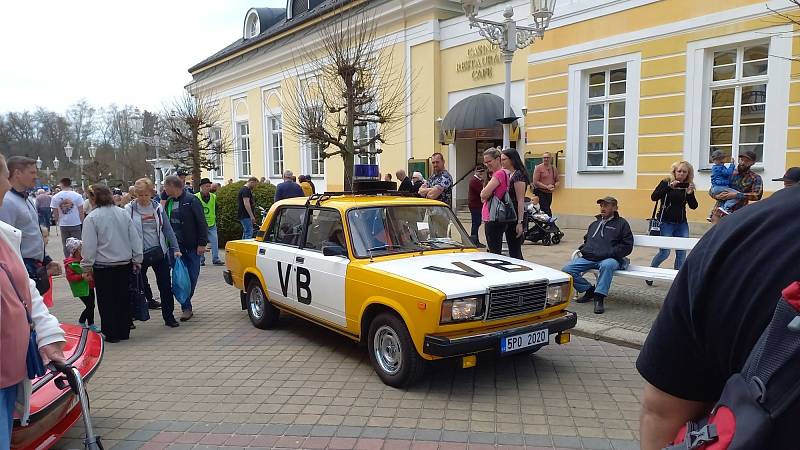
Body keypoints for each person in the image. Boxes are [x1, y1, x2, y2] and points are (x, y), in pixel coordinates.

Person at [635, 187, 800, 450]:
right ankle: (653, 273)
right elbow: (656, 198)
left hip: (683, 226)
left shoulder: (743, 230)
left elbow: (663, 413)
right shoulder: (743, 230)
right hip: (669, 224)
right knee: (666, 252)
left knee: (677, 255)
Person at [0, 154, 66, 449]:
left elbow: (21, 287)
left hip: (9, 371)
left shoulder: (19, 207)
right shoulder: (10, 205)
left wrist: (47, 335)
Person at [81, 184, 143, 343]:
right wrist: (137, 258)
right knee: (123, 297)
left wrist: (86, 266)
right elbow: (134, 238)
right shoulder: (122, 213)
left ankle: (112, 333)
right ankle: (124, 330)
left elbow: (89, 245)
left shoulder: (92, 218)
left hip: (103, 266)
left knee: (106, 300)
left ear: (94, 198)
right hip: (124, 263)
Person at [561, 197, 633, 314]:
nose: (602, 208)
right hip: (590, 257)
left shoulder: (622, 224)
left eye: (606, 206)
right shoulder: (595, 223)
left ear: (615, 208)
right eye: (601, 206)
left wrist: (609, 253)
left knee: (607, 265)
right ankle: (589, 290)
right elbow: (587, 239)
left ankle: (599, 297)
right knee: (567, 269)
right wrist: (585, 249)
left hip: (610, 258)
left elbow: (627, 246)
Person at [126, 178, 183, 327]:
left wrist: (175, 249)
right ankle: (132, 316)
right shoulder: (129, 209)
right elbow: (124, 232)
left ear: (151, 193)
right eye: (140, 195)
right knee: (135, 286)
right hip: (139, 255)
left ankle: (169, 316)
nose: (143, 198)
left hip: (159, 252)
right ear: (135, 195)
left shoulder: (158, 207)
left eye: (146, 194)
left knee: (165, 285)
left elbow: (168, 229)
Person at [0, 157, 60, 289]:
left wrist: (46, 260)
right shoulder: (7, 202)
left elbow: (34, 233)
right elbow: (6, 242)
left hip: (34, 265)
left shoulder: (27, 199)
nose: (36, 177)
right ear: (17, 173)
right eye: (32, 173)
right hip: (22, 267)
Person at [163, 175, 207, 322]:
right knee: (180, 278)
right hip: (176, 248)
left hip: (193, 247)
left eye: (165, 186)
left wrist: (202, 243)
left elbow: (201, 222)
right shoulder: (169, 202)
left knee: (192, 277)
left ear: (172, 186)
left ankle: (186, 298)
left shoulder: (192, 200)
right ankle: (186, 307)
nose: (164, 189)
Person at [647, 161, 698, 281]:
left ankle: (677, 281)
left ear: (688, 174)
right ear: (674, 172)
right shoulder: (666, 182)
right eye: (679, 171)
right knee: (665, 252)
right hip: (665, 222)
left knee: (681, 253)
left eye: (684, 172)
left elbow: (694, 206)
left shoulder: (688, 185)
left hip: (681, 223)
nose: (681, 174)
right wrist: (669, 187)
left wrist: (690, 194)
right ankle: (651, 272)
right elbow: (654, 196)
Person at [709, 149, 762, 223]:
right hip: (718, 215)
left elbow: (757, 195)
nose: (743, 162)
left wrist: (736, 195)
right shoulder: (728, 173)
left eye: (746, 161)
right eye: (741, 160)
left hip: (738, 215)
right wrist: (717, 196)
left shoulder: (755, 177)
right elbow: (712, 189)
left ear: (753, 163)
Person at [480, 148, 513, 256]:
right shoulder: (504, 174)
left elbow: (483, 195)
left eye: (489, 161)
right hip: (494, 217)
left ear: (498, 159)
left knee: (494, 251)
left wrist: (485, 193)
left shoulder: (499, 174)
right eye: (485, 162)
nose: (487, 164)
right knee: (495, 248)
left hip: (493, 217)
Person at [63, 237, 100, 332]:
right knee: (90, 306)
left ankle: (91, 323)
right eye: (81, 249)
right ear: (75, 251)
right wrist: (81, 276)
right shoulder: (71, 264)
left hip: (89, 286)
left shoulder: (85, 260)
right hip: (81, 288)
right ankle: (82, 321)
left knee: (91, 305)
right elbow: (70, 277)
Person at [500, 148, 529, 260]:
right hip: (509, 214)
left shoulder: (518, 175)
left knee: (515, 249)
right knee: (512, 248)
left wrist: (520, 222)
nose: (502, 162)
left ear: (512, 160)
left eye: (504, 159)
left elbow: (520, 200)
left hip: (516, 215)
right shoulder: (509, 174)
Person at [50, 177, 85, 258]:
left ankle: (67, 261)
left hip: (63, 224)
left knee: (66, 245)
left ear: (61, 184)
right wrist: (82, 222)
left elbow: (55, 212)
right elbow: (81, 211)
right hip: (76, 223)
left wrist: (57, 221)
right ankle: (77, 260)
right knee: (78, 244)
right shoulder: (78, 196)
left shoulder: (55, 197)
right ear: (70, 184)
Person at [195, 178, 223, 266]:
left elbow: (216, 208)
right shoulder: (196, 196)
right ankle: (201, 260)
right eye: (206, 186)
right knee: (201, 241)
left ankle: (216, 259)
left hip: (211, 222)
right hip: (200, 224)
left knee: (215, 241)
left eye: (209, 186)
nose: (208, 188)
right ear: (201, 187)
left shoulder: (213, 197)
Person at [707, 150, 738, 217]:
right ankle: (726, 209)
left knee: (722, 200)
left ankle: (712, 215)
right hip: (721, 187)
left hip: (717, 187)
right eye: (723, 158)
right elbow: (728, 172)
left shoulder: (716, 167)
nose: (724, 160)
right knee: (736, 195)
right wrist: (732, 165)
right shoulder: (719, 167)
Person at [532, 152, 559, 216]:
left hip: (549, 193)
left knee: (542, 210)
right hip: (540, 192)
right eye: (544, 158)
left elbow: (557, 181)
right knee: (546, 209)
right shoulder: (538, 168)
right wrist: (546, 187)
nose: (546, 159)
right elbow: (535, 181)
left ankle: (539, 225)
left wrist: (554, 186)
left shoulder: (553, 168)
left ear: (551, 159)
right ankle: (552, 224)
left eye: (547, 157)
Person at [468, 165, 486, 247]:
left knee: (476, 223)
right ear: (475, 172)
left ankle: (475, 241)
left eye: (482, 171)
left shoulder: (477, 180)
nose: (481, 173)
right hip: (475, 205)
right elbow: (482, 192)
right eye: (479, 171)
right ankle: (474, 241)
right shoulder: (474, 181)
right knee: (476, 223)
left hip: (476, 205)